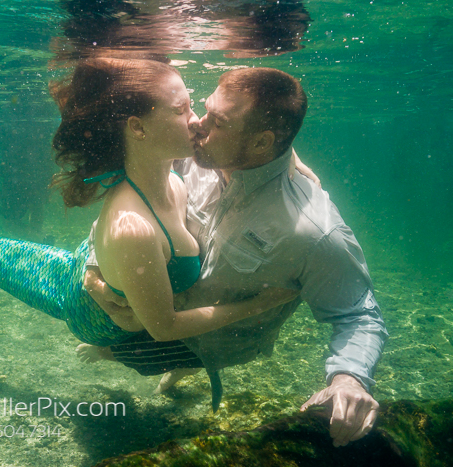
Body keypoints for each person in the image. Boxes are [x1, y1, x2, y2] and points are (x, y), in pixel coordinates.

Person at [82, 67, 388, 448]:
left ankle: (176, 364)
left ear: (261, 144)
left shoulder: (314, 232)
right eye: (204, 109)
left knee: (128, 356)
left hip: (221, 341)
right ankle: (177, 366)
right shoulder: (196, 157)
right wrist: (95, 260)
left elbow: (358, 314)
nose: (196, 125)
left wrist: (349, 378)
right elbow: (132, 206)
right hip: (162, 306)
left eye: (218, 122)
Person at [0, 59, 300, 367]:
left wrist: (288, 159)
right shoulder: (132, 228)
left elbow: (243, 149)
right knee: (48, 279)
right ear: (137, 128)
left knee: (56, 266)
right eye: (181, 109)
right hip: (90, 314)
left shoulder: (174, 179)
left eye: (193, 105)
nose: (196, 120)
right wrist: (256, 306)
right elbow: (165, 328)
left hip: (96, 270)